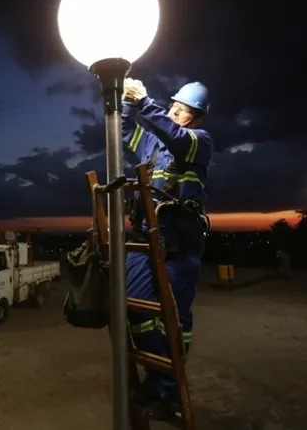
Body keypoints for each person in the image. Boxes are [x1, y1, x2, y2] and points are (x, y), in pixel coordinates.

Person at [120, 79, 213, 420]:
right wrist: (130, 101)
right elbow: (126, 131)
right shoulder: (153, 142)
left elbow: (176, 138)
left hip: (181, 245)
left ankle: (168, 388)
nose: (174, 109)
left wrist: (146, 102)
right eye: (173, 104)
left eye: (182, 108)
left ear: (196, 117)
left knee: (175, 318)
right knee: (137, 309)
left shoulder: (199, 142)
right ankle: (160, 378)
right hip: (146, 239)